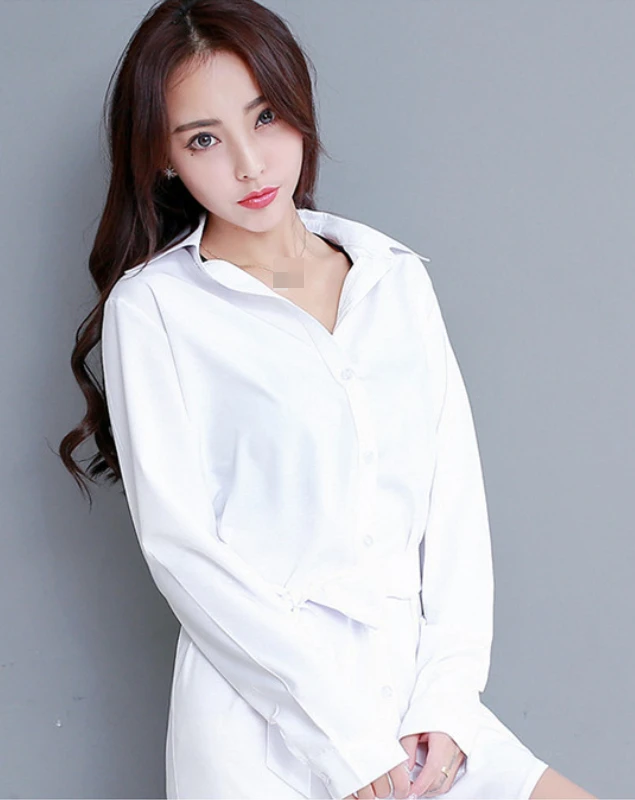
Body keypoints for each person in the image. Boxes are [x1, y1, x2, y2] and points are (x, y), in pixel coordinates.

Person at [60, 1, 598, 798]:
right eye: (204, 139)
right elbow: (184, 552)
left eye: (265, 118)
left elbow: (453, 507)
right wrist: (343, 740)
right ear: (164, 159)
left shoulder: (393, 277)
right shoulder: (156, 311)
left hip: (418, 711)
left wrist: (448, 700)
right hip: (266, 730)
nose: (250, 165)